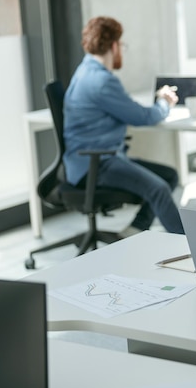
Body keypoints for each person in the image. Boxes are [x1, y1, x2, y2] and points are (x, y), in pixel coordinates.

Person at [63, 16, 184, 236]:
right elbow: (142, 117)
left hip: (88, 160)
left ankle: (135, 230)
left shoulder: (83, 72)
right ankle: (187, 245)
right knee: (159, 189)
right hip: (97, 164)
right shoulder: (101, 81)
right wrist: (164, 102)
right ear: (114, 45)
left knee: (169, 175)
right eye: (122, 46)